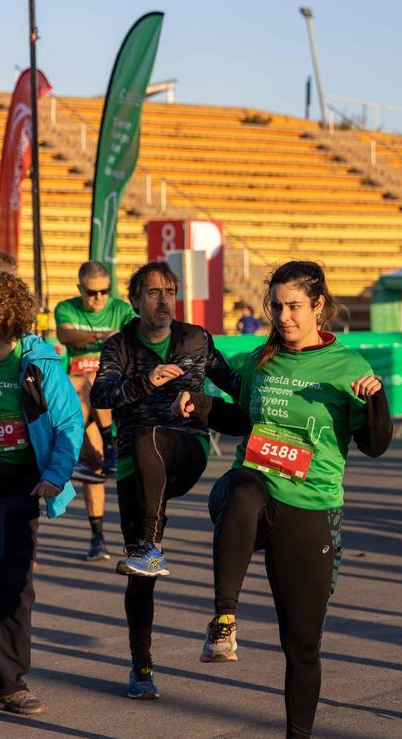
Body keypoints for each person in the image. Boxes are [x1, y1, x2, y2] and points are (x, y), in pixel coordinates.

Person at [177, 260, 391, 739]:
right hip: (252, 499)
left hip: (312, 508)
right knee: (245, 485)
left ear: (319, 305)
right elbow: (244, 420)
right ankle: (223, 622)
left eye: (294, 305)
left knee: (303, 642)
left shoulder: (347, 366)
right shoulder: (261, 360)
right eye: (276, 305)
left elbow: (375, 444)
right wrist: (199, 405)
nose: (283, 314)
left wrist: (377, 399)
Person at [90, 261, 241, 700]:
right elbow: (101, 394)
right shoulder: (119, 345)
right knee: (140, 579)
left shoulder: (195, 339)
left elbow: (232, 382)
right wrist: (145, 380)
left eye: (169, 291)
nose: (163, 300)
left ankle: (152, 545)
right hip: (133, 471)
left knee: (151, 435)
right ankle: (142, 667)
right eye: (153, 292)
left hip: (184, 453)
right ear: (134, 300)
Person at [0, 271, 83, 715]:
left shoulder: (39, 364)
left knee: (10, 582)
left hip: (12, 482)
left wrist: (56, 474)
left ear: (9, 316)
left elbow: (67, 427)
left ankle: (8, 685)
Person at [54, 261, 137, 561]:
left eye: (104, 292)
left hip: (117, 391)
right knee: (95, 466)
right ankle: (97, 538)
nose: (99, 299)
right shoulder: (66, 307)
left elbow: (132, 336)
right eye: (92, 293)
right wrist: (103, 337)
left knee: (87, 380)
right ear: (80, 289)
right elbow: (65, 336)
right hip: (86, 404)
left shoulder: (122, 308)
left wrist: (91, 339)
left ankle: (68, 450)